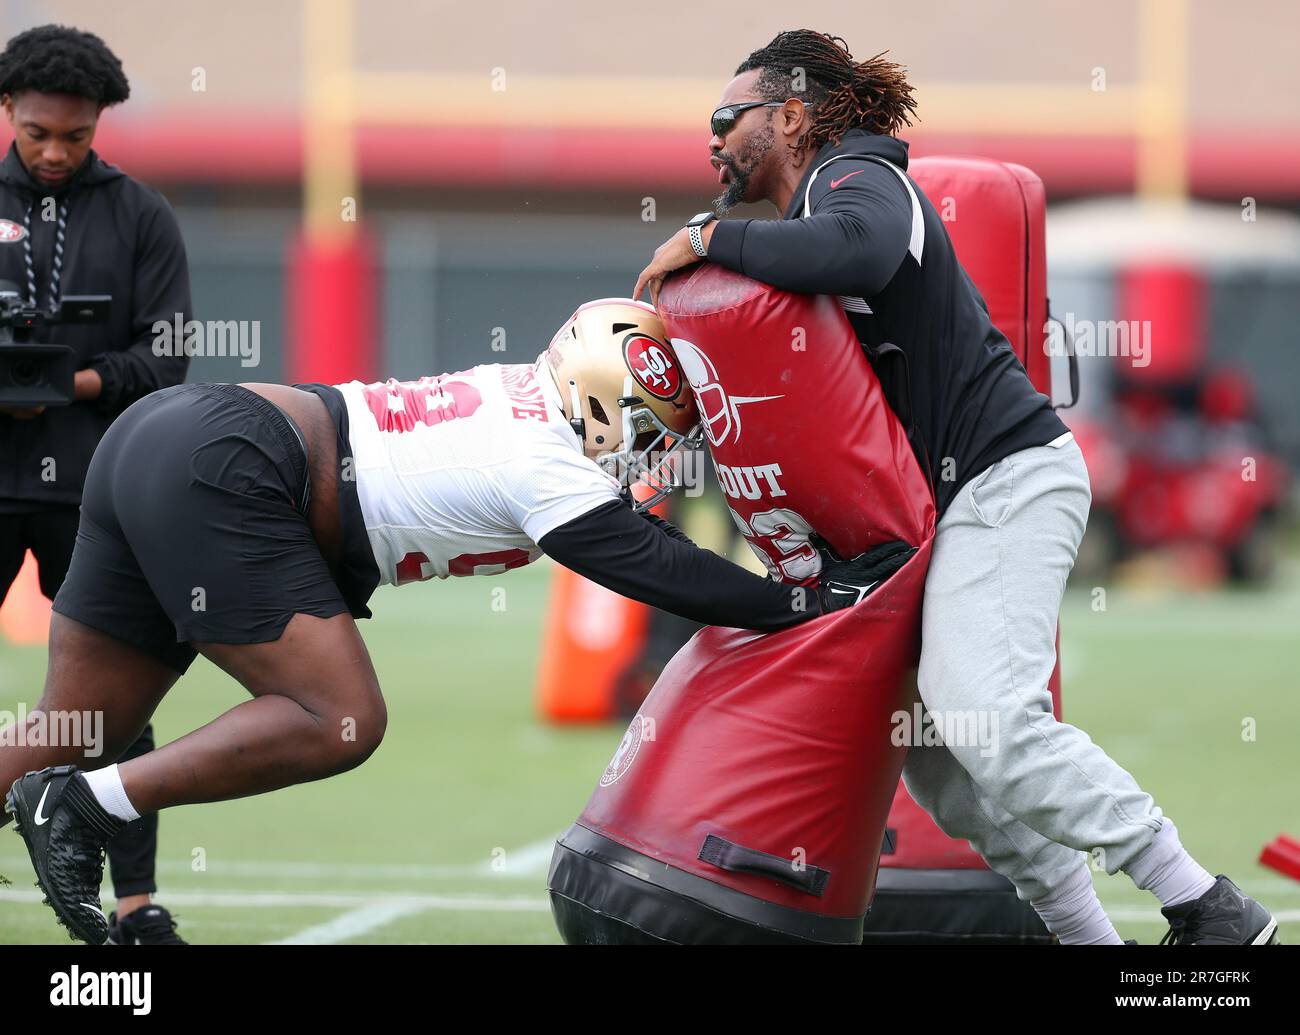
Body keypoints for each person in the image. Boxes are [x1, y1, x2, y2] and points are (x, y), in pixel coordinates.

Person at [634, 29, 1278, 946]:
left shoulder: (860, 180)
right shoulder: (809, 214)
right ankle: (1093, 944)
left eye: (726, 119)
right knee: (945, 766)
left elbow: (855, 251)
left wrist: (707, 237)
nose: (713, 141)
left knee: (998, 728)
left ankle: (1209, 907)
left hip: (1005, 478)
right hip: (955, 504)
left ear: (788, 117)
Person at [1, 297, 897, 945]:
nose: (660, 453)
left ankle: (76, 781)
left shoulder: (527, 398)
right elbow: (655, 567)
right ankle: (88, 801)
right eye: (655, 430)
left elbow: (641, 537)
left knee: (76, 725)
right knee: (338, 717)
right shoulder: (543, 458)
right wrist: (805, 604)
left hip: (165, 437)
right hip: (232, 464)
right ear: (607, 403)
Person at [0, 24, 191, 944]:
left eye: (74, 137)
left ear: (99, 126)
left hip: (96, 491)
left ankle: (136, 902)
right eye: (38, 132)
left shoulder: (140, 214)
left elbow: (171, 359)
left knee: (116, 699)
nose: (54, 151)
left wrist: (68, 384)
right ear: (8, 112)